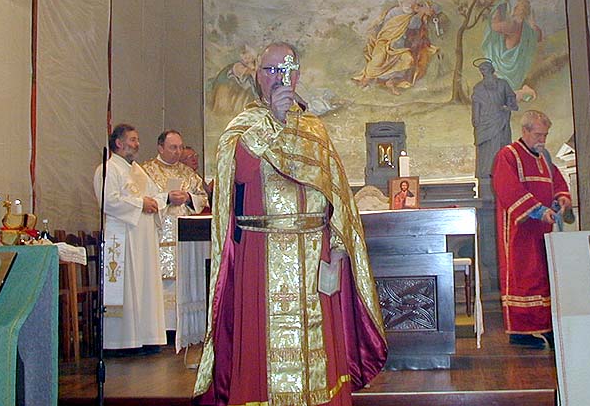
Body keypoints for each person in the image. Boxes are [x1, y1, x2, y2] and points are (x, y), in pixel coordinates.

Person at [194, 42, 387, 406]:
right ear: (257, 77)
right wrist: (274, 122)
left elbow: (336, 192)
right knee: (261, 342)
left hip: (314, 253)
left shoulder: (315, 129)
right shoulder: (244, 126)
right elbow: (238, 176)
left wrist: (339, 245)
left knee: (320, 344)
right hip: (261, 252)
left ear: (297, 76)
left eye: (285, 70)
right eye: (270, 70)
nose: (278, 77)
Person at [93, 123, 186, 354]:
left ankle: (145, 337)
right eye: (133, 140)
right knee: (125, 288)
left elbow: (153, 195)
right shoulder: (108, 169)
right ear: (119, 143)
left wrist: (163, 199)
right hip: (121, 238)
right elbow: (109, 201)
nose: (137, 144)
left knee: (144, 286)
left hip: (143, 239)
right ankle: (120, 342)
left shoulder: (137, 170)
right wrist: (140, 204)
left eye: (137, 140)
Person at [491, 110, 571, 349]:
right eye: (538, 135)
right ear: (525, 131)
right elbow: (508, 188)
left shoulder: (544, 157)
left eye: (545, 135)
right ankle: (521, 332)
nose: (542, 140)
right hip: (520, 230)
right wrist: (537, 211)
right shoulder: (508, 155)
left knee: (545, 277)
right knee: (524, 278)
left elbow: (557, 182)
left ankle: (547, 326)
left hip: (543, 231)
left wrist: (562, 198)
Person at [142, 130, 211, 336]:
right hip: (160, 233)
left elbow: (203, 198)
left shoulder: (188, 173)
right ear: (160, 147)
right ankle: (162, 329)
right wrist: (167, 198)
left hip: (186, 237)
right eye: (173, 147)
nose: (178, 151)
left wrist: (189, 198)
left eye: (180, 147)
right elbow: (142, 199)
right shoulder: (146, 171)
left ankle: (187, 327)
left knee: (186, 278)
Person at [353, 0, 439, 94]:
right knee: (378, 60)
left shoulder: (414, 13)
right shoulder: (394, 12)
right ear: (401, 4)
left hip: (401, 48)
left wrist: (424, 11)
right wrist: (420, 13)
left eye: (412, 4)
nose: (410, 6)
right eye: (407, 4)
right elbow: (388, 27)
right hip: (386, 42)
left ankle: (392, 82)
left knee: (408, 60)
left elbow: (414, 25)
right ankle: (365, 80)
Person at [482, 0, 542, 101]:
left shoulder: (513, 25)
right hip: (515, 72)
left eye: (516, 7)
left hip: (506, 69)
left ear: (516, 10)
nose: (514, 9)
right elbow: (538, 36)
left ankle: (521, 92)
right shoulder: (527, 28)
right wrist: (532, 23)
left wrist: (499, 9)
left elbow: (494, 26)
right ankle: (521, 91)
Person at [471, 59, 518, 181]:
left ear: (491, 70)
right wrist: (476, 120)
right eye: (482, 70)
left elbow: (511, 97)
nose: (484, 72)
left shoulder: (502, 84)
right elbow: (476, 105)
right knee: (485, 148)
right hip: (484, 123)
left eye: (485, 69)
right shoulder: (478, 87)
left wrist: (508, 106)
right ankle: (486, 171)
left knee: (500, 145)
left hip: (500, 119)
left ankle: (502, 170)